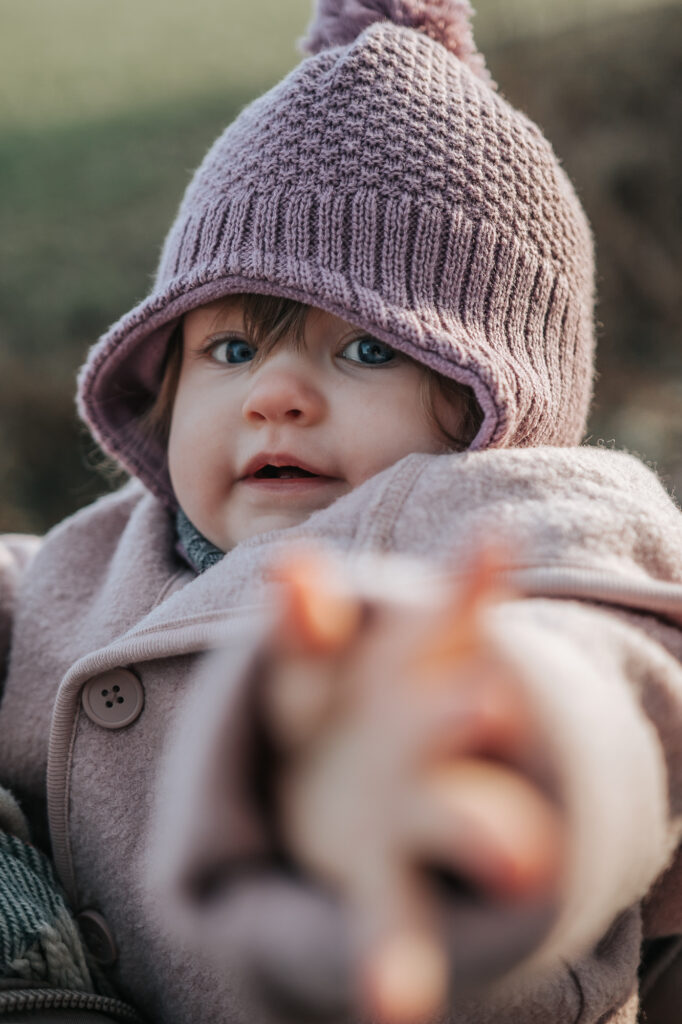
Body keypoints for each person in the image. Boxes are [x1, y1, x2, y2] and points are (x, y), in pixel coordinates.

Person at [1, 1, 681, 1022]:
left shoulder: (527, 543)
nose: (275, 393)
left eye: (364, 348)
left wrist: (495, 740)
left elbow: (619, 700)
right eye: (231, 349)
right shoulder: (92, 559)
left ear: (496, 401)